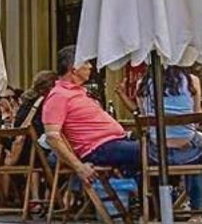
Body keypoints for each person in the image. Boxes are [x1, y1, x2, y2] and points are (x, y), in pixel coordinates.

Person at [43, 46, 143, 182]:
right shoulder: (58, 95)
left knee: (155, 148)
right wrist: (79, 167)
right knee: (153, 152)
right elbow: (52, 137)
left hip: (113, 143)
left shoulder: (78, 92)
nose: (90, 66)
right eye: (86, 62)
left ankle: (141, 191)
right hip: (98, 148)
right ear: (73, 68)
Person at [134, 64, 202, 219]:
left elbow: (145, 117)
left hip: (156, 153)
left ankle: (155, 214)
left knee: (149, 147)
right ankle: (196, 214)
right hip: (189, 151)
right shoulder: (192, 81)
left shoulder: (142, 84)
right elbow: (197, 116)